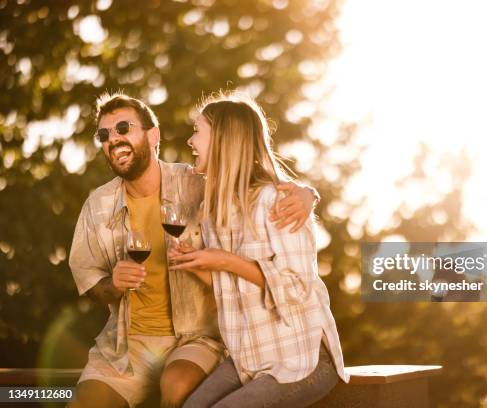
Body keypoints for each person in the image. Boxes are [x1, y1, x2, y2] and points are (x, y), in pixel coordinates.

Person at [68, 93, 319, 408]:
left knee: (176, 388)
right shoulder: (97, 206)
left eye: (123, 127)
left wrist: (308, 194)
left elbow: (248, 177)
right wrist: (113, 285)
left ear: (153, 134)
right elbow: (90, 282)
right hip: (127, 346)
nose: (113, 139)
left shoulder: (198, 183)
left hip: (196, 337)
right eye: (104, 135)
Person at [169, 93, 349, 408]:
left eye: (198, 131)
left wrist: (224, 260)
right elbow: (233, 288)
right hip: (249, 359)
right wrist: (198, 264)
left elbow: (295, 289)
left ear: (223, 141)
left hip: (302, 360)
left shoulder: (278, 202)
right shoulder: (214, 213)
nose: (191, 140)